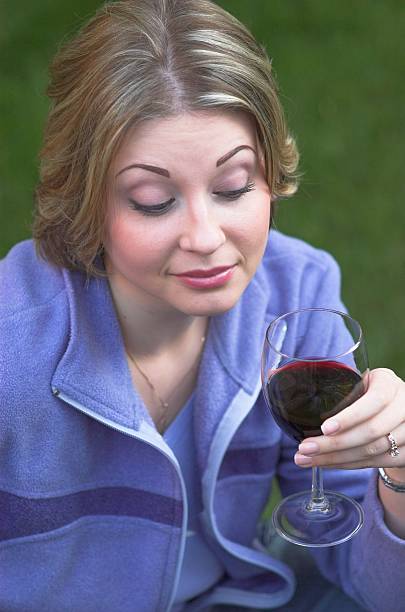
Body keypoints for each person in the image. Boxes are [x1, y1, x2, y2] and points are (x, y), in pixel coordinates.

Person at [1, 1, 405, 611]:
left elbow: (373, 582)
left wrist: (399, 475)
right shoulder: (13, 347)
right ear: (86, 200)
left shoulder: (298, 296)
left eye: (233, 187)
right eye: (153, 199)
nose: (206, 236)